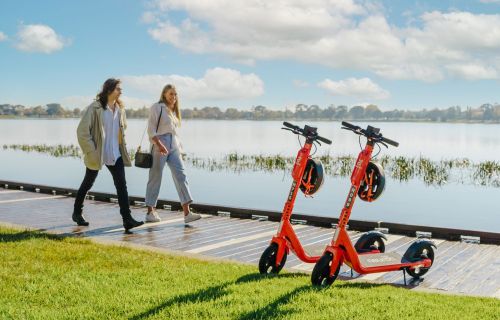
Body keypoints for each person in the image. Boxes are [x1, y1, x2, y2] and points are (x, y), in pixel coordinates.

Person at [72, 78, 144, 231]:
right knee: (88, 184)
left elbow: (122, 129)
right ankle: (77, 213)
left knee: (121, 186)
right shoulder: (95, 108)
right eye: (118, 88)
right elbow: (82, 132)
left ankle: (127, 219)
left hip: (115, 153)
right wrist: (91, 151)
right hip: (98, 153)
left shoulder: (120, 109)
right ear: (109, 89)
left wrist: (121, 144)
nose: (121, 91)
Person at [144, 84, 201, 224]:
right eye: (171, 94)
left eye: (175, 94)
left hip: (173, 144)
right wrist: (159, 144)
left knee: (181, 175)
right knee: (155, 177)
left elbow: (173, 132)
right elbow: (151, 129)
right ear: (164, 94)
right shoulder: (157, 107)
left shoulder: (173, 111)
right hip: (159, 143)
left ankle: (187, 213)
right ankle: (150, 212)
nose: (173, 97)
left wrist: (179, 148)